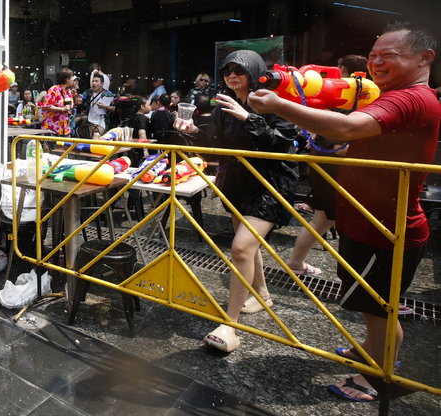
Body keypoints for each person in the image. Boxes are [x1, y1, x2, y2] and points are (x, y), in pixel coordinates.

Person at [248, 21, 440, 402]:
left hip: (385, 228)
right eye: (373, 55)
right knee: (371, 305)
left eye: (389, 55)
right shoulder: (401, 96)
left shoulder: (409, 97)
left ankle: (381, 377)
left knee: (381, 310)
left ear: (425, 58)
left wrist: (282, 105)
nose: (377, 63)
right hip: (370, 221)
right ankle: (369, 351)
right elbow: (366, 142)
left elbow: (351, 128)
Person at [174, 49, 299, 352]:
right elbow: (216, 150)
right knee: (249, 248)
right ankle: (264, 296)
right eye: (228, 70)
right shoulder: (222, 106)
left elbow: (284, 146)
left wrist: (248, 117)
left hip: (268, 186)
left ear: (254, 72)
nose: (232, 75)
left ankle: (230, 326)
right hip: (236, 184)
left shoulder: (273, 101)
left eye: (239, 70)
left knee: (242, 246)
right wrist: (193, 132)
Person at [285, 55, 367, 276]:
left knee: (323, 220)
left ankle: (296, 263)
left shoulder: (341, 98)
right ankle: (296, 263)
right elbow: (340, 147)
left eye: (338, 67)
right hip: (332, 169)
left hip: (326, 167)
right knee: (324, 220)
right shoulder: (348, 100)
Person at [41, 68, 74, 136]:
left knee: (66, 146)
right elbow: (46, 106)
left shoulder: (68, 92)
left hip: (65, 127)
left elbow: (70, 107)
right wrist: (62, 109)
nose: (73, 80)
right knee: (53, 146)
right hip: (52, 126)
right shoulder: (53, 89)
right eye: (72, 78)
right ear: (67, 80)